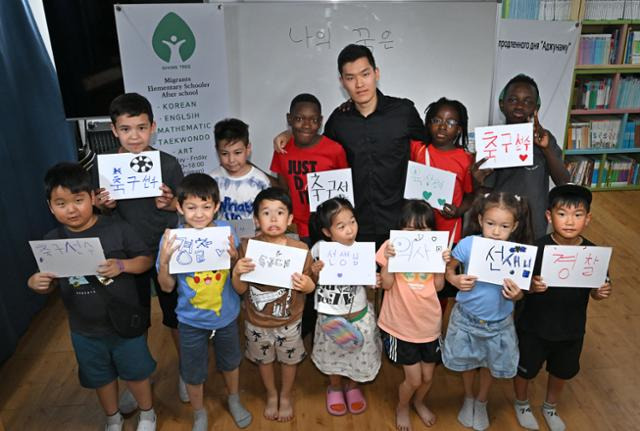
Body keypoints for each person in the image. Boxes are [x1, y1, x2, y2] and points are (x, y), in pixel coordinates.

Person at [28, 163, 156, 431]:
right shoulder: (52, 240)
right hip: (84, 329)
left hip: (125, 323)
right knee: (100, 377)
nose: (71, 209)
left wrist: (122, 266)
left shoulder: (117, 229)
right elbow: (51, 282)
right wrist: (38, 282)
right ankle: (112, 418)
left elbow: (146, 261)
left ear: (92, 198)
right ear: (50, 207)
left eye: (78, 200)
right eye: (61, 203)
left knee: (136, 373)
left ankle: (147, 414)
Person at [274, 44, 427, 247]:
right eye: (350, 78)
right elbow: (317, 145)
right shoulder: (339, 121)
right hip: (353, 228)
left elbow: (432, 149)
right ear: (342, 82)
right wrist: (289, 132)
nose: (359, 84)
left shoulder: (403, 112)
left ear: (376, 73)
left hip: (402, 224)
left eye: (365, 74)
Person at [93, 93, 186, 408]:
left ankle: (186, 372)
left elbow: (186, 208)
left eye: (141, 128)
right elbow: (96, 213)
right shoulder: (104, 167)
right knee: (135, 321)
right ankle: (139, 381)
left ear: (153, 127)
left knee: (175, 316)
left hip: (164, 249)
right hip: (125, 256)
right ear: (114, 130)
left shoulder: (168, 163)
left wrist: (170, 202)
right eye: (126, 128)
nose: (135, 136)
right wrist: (104, 206)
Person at [156, 174, 252, 431]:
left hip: (226, 315)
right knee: (192, 370)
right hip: (190, 319)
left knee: (231, 362)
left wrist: (234, 260)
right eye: (191, 207)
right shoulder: (172, 239)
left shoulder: (226, 232)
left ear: (217, 207)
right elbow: (166, 287)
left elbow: (237, 277)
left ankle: (233, 399)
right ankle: (199, 413)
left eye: (206, 206)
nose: (199, 214)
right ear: (178, 207)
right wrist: (164, 261)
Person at [513, 184, 612, 431]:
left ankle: (550, 406)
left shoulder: (593, 254)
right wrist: (531, 287)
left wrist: (600, 292)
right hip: (533, 327)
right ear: (549, 216)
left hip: (571, 328)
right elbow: (519, 289)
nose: (570, 221)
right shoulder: (536, 249)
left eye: (578, 215)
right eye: (562, 214)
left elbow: (597, 291)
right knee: (525, 370)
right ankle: (521, 403)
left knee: (562, 371)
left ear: (587, 219)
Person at [443, 191, 534, 431]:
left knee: (489, 363)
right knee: (466, 361)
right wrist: (455, 280)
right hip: (466, 318)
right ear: (481, 220)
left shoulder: (518, 253)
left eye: (504, 226)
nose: (496, 231)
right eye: (491, 224)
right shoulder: (468, 244)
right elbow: (449, 269)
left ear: (514, 226)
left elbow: (522, 290)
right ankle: (469, 397)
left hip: (499, 322)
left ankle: (482, 400)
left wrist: (518, 295)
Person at [231, 187, 315, 422]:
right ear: (257, 219)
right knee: (263, 360)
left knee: (290, 360)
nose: (274, 218)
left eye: (280, 213)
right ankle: (271, 393)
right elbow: (240, 290)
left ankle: (286, 395)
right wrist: (237, 271)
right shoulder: (248, 248)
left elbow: (311, 288)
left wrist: (307, 283)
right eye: (266, 213)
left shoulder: (300, 250)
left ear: (289, 219)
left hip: (290, 321)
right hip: (256, 321)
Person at [376, 200, 450, 431]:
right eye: (410, 230)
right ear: (400, 230)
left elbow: (438, 287)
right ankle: (403, 406)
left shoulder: (436, 251)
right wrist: (387, 260)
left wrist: (441, 265)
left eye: (424, 230)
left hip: (429, 325)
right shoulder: (390, 247)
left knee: (428, 377)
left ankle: (418, 401)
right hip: (400, 325)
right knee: (414, 379)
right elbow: (386, 284)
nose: (417, 236)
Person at [308, 197, 382, 416]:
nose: (350, 229)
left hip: (358, 314)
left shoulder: (361, 251)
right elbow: (309, 278)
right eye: (341, 226)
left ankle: (353, 386)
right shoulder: (320, 249)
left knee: (357, 354)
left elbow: (368, 279)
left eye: (352, 221)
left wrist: (374, 280)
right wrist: (314, 270)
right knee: (333, 355)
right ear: (327, 231)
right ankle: (335, 386)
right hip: (330, 318)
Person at [476, 74, 570, 239]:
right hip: (500, 222)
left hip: (534, 221)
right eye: (513, 100)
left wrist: (546, 149)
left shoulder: (544, 138)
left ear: (536, 108)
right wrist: (476, 179)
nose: (520, 106)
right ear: (502, 104)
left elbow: (563, 180)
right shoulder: (492, 140)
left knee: (530, 260)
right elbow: (484, 188)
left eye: (527, 101)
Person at [411, 97, 476, 312]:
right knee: (417, 282)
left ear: (459, 129)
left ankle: (435, 326)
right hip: (419, 231)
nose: (442, 126)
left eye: (450, 122)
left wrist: (458, 210)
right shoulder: (418, 150)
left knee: (441, 288)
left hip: (449, 235)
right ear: (428, 123)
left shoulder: (465, 159)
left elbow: (470, 195)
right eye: (437, 120)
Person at [270, 93, 348, 244]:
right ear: (289, 119)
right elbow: (283, 190)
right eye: (299, 119)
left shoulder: (335, 150)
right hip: (294, 228)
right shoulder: (282, 149)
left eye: (313, 120)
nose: (306, 125)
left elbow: (343, 195)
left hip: (327, 228)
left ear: (320, 122)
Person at [210, 118, 271, 221]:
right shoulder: (212, 180)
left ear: (248, 149)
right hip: (223, 235)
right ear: (217, 150)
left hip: (254, 235)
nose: (231, 160)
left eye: (237, 153)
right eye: (224, 154)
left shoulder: (261, 181)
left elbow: (268, 214)